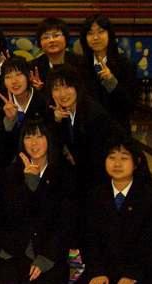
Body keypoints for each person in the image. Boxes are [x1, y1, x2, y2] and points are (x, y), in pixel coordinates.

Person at [63, 138, 152, 284]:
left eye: (124, 158)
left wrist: (131, 274)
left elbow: (151, 243)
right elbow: (89, 238)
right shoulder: (95, 195)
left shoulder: (150, 198)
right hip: (105, 268)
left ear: (136, 163)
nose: (117, 164)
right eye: (112, 157)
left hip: (140, 270)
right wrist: (97, 271)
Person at [0, 118, 75, 284]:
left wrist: (45, 258)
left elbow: (64, 223)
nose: (34, 143)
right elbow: (7, 216)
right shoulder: (12, 172)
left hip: (48, 251)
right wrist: (29, 185)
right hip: (16, 250)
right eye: (29, 137)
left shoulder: (64, 173)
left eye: (40, 136)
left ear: (49, 140)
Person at [46, 65, 123, 203]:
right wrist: (56, 121)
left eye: (67, 87)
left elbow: (93, 160)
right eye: (56, 89)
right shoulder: (62, 113)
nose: (62, 94)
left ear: (77, 87)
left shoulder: (94, 114)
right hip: (84, 181)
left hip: (102, 184)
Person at [79, 14, 138, 131]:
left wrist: (111, 81)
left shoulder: (125, 65)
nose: (95, 37)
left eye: (101, 32)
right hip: (88, 133)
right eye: (90, 33)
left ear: (110, 34)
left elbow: (130, 106)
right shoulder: (79, 65)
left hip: (117, 131)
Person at [0, 56, 49, 168]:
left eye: (19, 74)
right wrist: (9, 121)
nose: (14, 81)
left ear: (29, 76)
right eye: (8, 77)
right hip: (8, 165)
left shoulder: (43, 101)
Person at [29, 17, 82, 91]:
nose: (51, 40)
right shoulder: (33, 68)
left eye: (56, 35)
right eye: (46, 37)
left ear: (66, 38)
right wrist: (38, 90)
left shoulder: (81, 63)